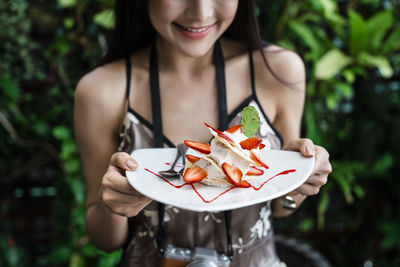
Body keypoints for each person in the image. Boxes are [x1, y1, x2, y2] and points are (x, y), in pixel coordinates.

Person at [74, 0, 332, 266]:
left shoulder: (276, 71)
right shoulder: (101, 91)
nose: (200, 13)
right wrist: (113, 206)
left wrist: (299, 182)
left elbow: (281, 207)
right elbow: (105, 241)